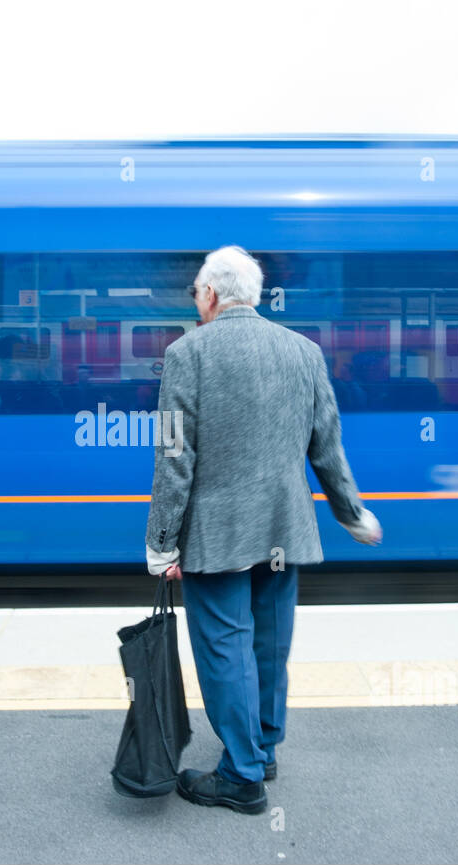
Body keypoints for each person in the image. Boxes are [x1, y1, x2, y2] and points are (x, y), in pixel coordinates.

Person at [145, 245, 382, 815]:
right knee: (269, 644)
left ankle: (242, 775)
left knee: (225, 643)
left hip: (218, 532)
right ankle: (264, 747)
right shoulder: (303, 352)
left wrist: (160, 541)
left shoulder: (187, 353)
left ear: (209, 295)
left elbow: (174, 455)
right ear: (250, 295)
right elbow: (326, 446)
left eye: (196, 295)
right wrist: (350, 513)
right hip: (284, 528)